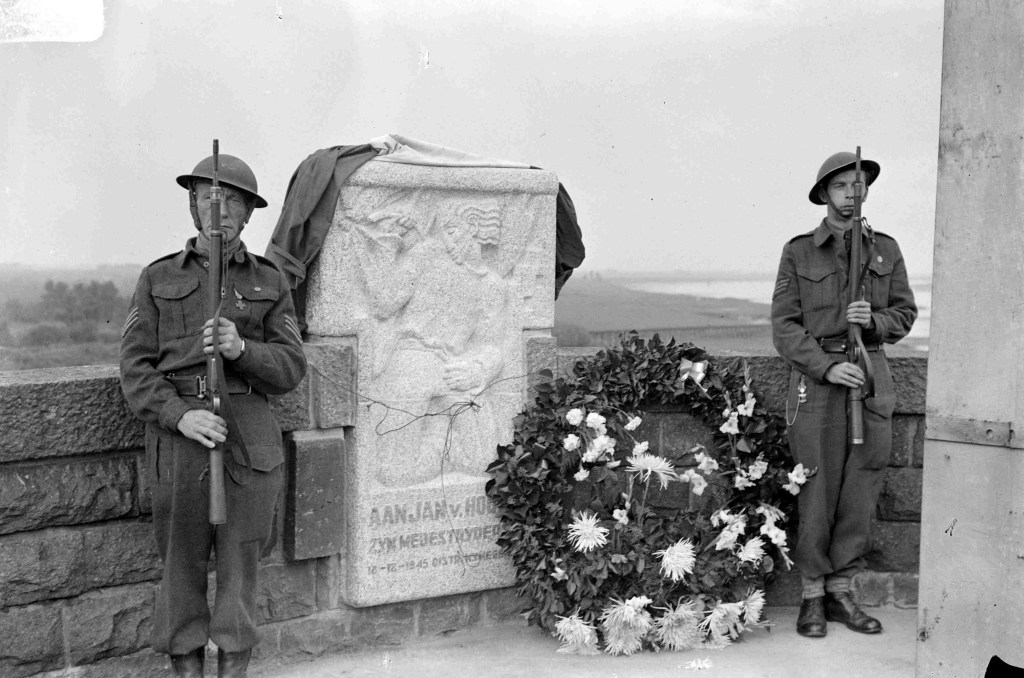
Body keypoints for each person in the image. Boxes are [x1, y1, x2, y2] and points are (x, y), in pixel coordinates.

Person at [120, 152, 306, 677]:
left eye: (233, 201)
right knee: (180, 565)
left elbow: (291, 367)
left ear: (248, 213)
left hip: (250, 438)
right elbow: (135, 368)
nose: (219, 209)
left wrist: (241, 349)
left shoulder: (270, 280)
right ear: (193, 206)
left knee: (241, 566)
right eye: (208, 198)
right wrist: (180, 415)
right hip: (182, 442)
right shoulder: (158, 277)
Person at [771, 151, 917, 639]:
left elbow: (904, 313)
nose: (853, 193)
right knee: (816, 488)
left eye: (860, 185)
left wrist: (873, 321)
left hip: (871, 378)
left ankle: (841, 592)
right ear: (823, 194)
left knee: (861, 488)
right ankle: (812, 595)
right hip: (818, 384)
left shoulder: (886, 249)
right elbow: (785, 327)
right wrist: (828, 367)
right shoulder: (799, 252)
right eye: (841, 186)